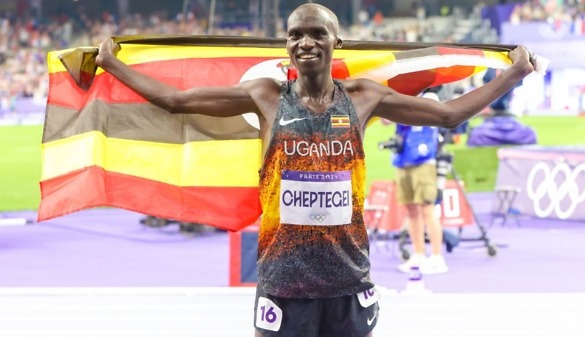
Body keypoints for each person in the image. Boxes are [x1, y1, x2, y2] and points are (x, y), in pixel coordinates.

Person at [94, 3, 535, 336]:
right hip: (284, 282)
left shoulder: (364, 97)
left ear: (335, 42)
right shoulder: (265, 95)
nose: (305, 42)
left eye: (317, 33)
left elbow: (447, 115)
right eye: (296, 35)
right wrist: (112, 63)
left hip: (348, 279)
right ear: (286, 45)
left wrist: (512, 75)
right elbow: (177, 101)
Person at [382, 90, 449, 275]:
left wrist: (401, 102)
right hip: (403, 159)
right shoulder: (400, 96)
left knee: (427, 208)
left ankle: (437, 257)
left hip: (423, 160)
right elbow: (385, 120)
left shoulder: (429, 96)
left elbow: (424, 112)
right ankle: (418, 254)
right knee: (411, 210)